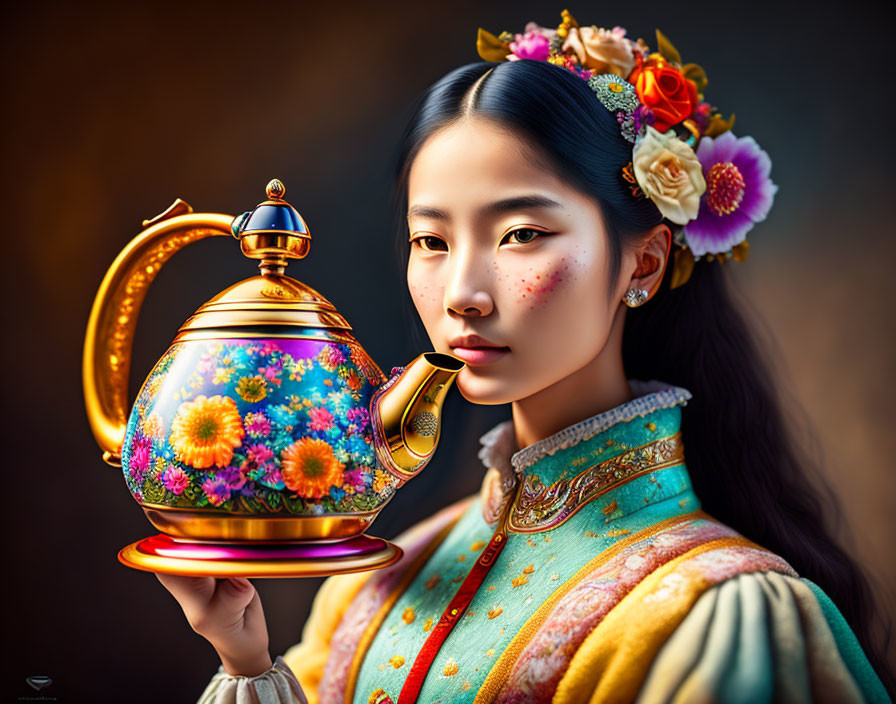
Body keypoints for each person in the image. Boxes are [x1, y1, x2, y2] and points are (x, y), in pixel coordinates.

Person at [156, 11, 894, 703]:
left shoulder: (723, 612)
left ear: (642, 263)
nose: (463, 295)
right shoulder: (380, 579)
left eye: (520, 235)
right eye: (432, 242)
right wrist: (244, 659)